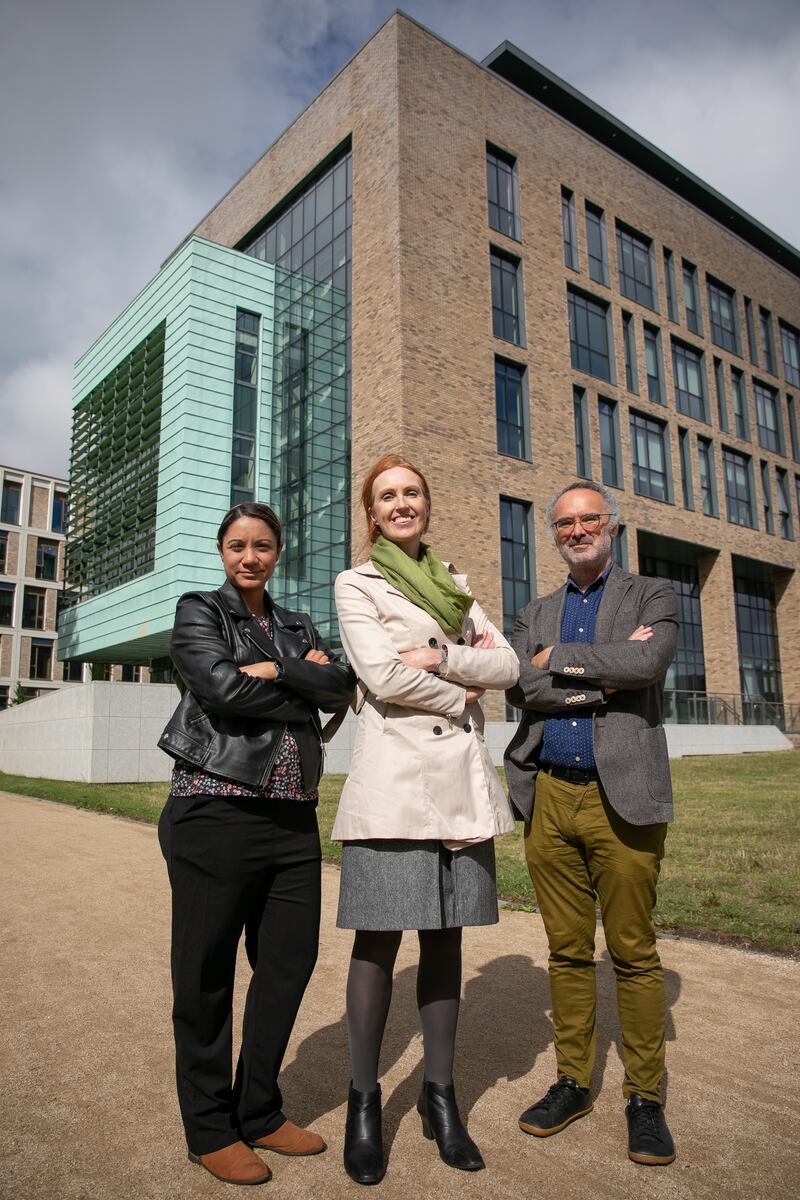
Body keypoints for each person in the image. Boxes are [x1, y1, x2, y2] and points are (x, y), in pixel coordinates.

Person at [332, 453, 519, 1184]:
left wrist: (442, 655)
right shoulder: (358, 582)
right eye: (388, 496)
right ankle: (363, 1101)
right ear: (372, 515)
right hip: (396, 787)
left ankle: (441, 1099)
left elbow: (506, 666)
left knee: (444, 941)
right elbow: (379, 675)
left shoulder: (455, 589)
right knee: (377, 942)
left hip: (461, 790)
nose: (402, 504)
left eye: (412, 493)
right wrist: (459, 691)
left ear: (426, 505)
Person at [157, 501, 355, 1187]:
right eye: (238, 545)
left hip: (293, 822)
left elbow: (341, 687)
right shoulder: (199, 611)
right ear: (222, 551)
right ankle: (209, 1129)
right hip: (215, 812)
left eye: (263, 545)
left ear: (278, 551)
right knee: (205, 976)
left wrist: (280, 671)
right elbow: (218, 689)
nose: (250, 556)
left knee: (286, 967)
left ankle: (260, 1109)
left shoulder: (296, 622)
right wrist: (301, 677)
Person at [504, 481, 679, 1167]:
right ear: (554, 534)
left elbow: (650, 661)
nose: (578, 530)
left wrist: (561, 663)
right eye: (566, 523)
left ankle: (645, 1098)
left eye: (590, 519)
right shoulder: (536, 610)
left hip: (624, 799)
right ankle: (573, 1081)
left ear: (612, 525)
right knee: (568, 951)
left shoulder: (653, 596)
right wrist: (601, 680)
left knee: (633, 953)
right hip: (551, 797)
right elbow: (523, 684)